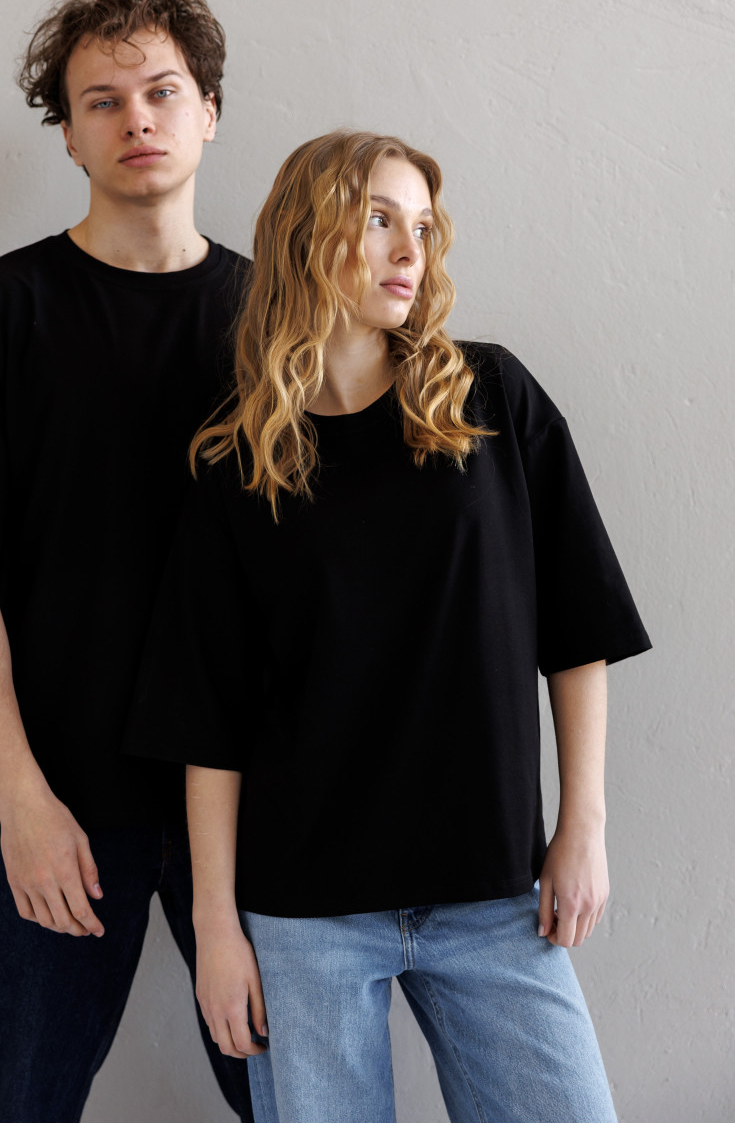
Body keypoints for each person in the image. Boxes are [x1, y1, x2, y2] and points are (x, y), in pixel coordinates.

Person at [122, 130, 652, 1122]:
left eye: (421, 226)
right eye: (376, 220)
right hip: (304, 913)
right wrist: (216, 928)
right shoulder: (238, 463)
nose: (409, 250)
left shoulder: (490, 400)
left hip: (494, 896)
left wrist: (581, 827)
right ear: (303, 236)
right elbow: (208, 723)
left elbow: (577, 630)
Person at [0, 0, 252, 1122]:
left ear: (208, 112)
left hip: (255, 805)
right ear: (67, 135)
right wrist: (22, 799)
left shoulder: (280, 328)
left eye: (162, 92)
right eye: (102, 100)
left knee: (299, 1100)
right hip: (54, 799)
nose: (136, 118)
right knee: (21, 1106)